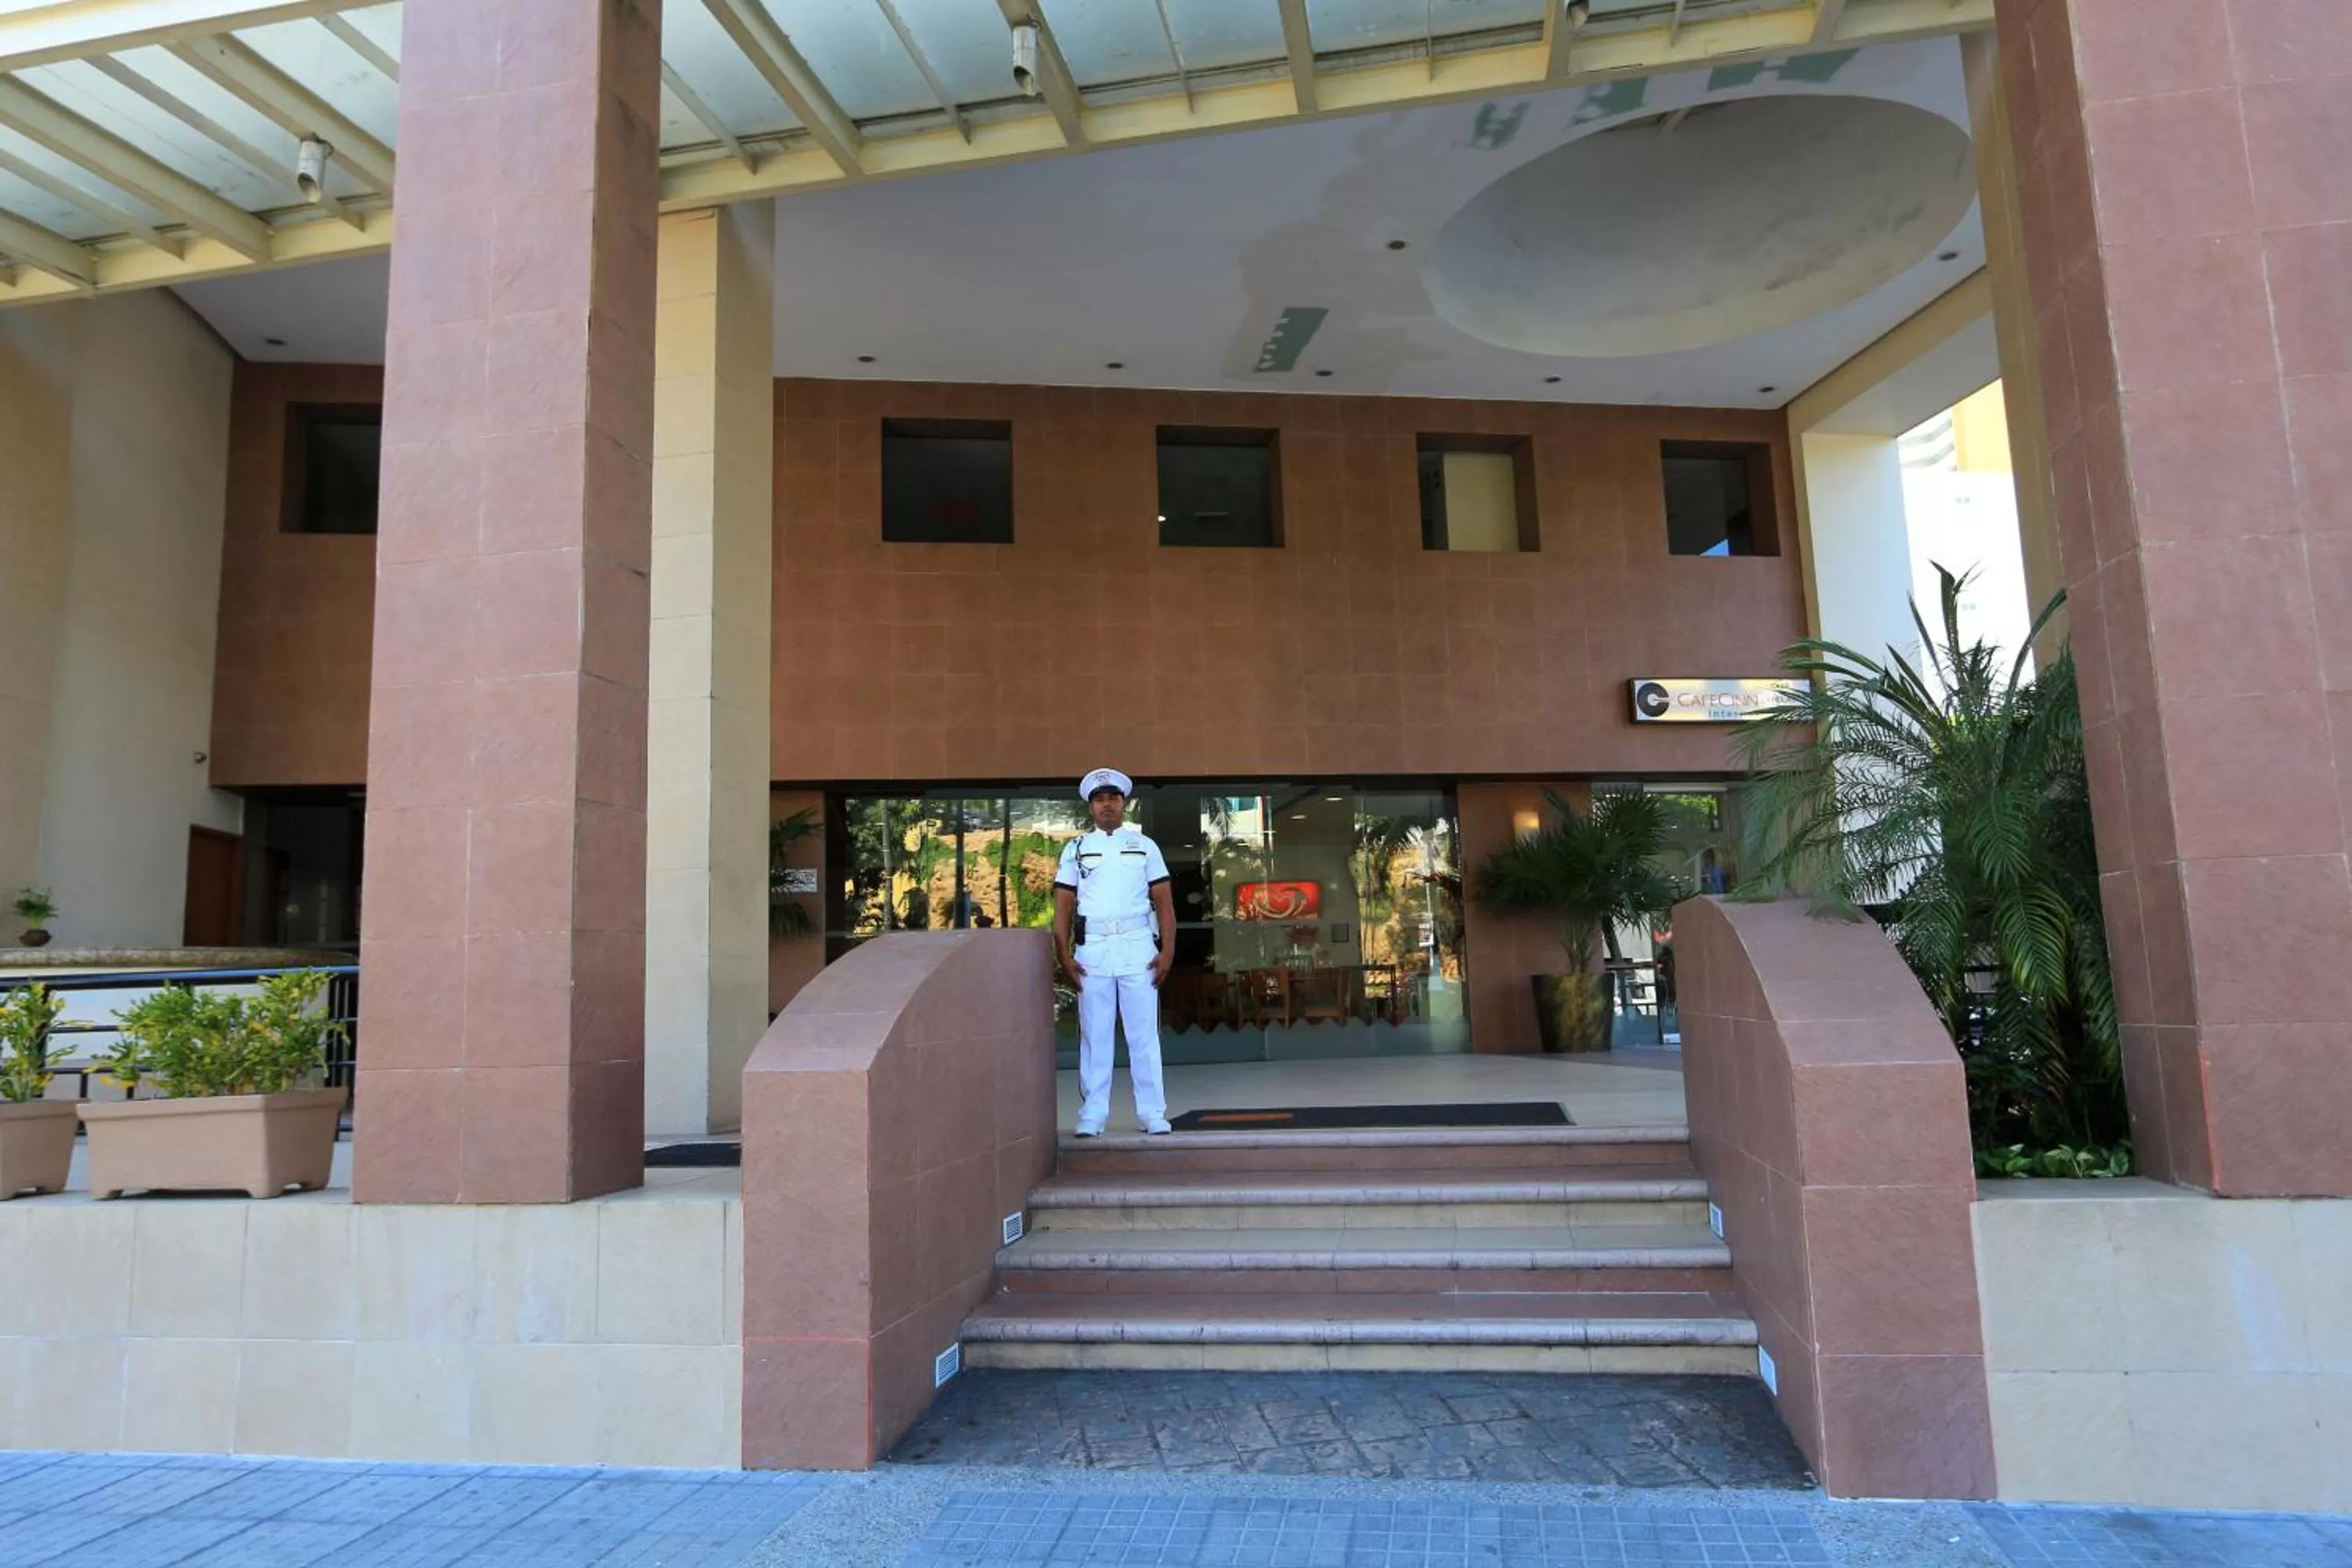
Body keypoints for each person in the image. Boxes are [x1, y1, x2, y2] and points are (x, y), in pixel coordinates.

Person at [1053, 768, 1177, 1137]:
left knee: (1143, 1034)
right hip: (1093, 949)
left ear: (1124, 803)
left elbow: (1165, 903)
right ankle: (1093, 1113)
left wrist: (1168, 951)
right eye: (1100, 799)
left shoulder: (1145, 846)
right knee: (1095, 1033)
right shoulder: (1076, 849)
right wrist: (1063, 956)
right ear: (1091, 807)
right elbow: (1063, 906)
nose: (1107, 805)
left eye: (1114, 798)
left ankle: (1153, 1112)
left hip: (1139, 946)